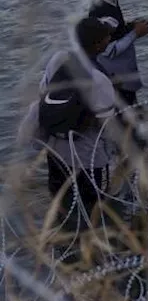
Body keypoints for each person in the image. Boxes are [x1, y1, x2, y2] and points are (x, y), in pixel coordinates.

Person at [16, 18, 120, 236]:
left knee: (61, 200)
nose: (109, 39)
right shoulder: (99, 79)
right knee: (96, 204)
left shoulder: (57, 61)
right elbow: (107, 125)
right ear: (99, 44)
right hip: (89, 157)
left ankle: (63, 241)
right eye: (107, 36)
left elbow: (44, 95)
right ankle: (93, 247)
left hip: (56, 152)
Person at [89, 0, 148, 105]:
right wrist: (136, 33)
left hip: (123, 74)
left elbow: (115, 32)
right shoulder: (101, 9)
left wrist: (130, 26)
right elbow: (108, 50)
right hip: (116, 78)